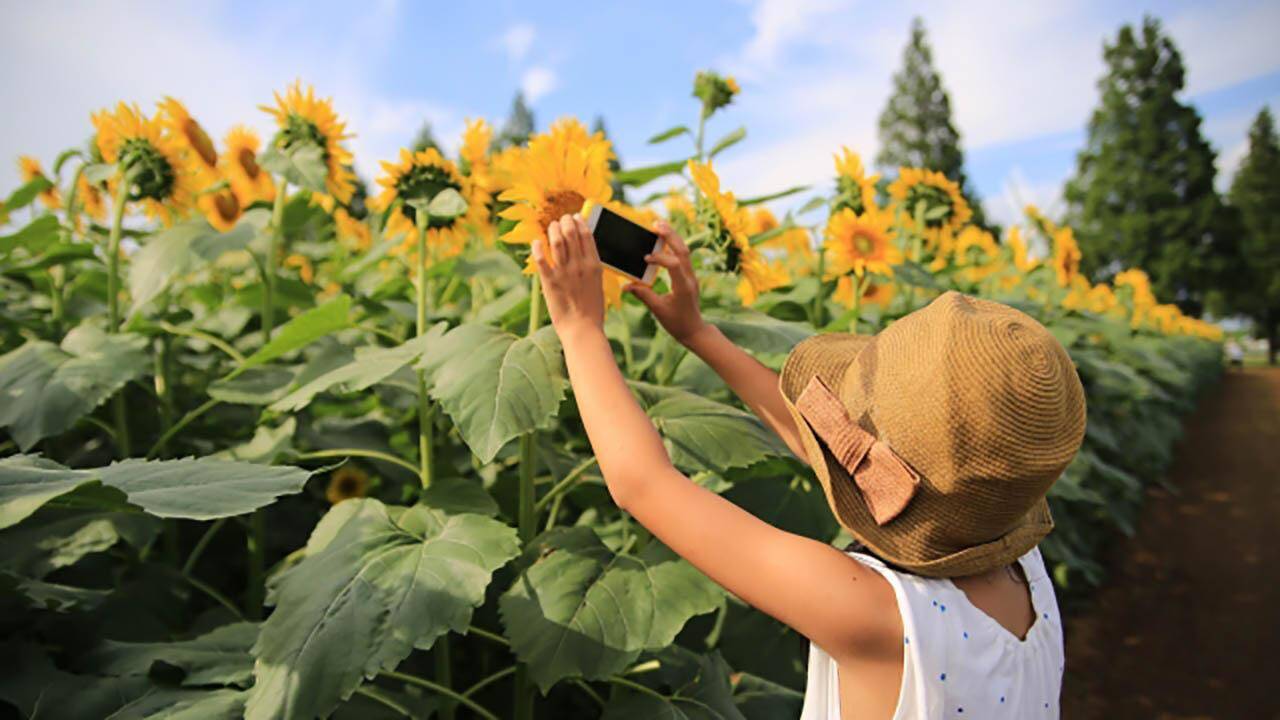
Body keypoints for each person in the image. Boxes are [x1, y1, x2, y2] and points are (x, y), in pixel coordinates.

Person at [530, 213, 1087, 719]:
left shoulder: (878, 615)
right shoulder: (1026, 570)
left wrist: (581, 330)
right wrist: (698, 333)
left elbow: (643, 485)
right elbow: (847, 452)